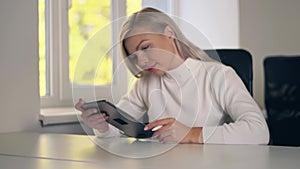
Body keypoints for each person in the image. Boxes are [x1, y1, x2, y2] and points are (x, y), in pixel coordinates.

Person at [75, 7, 269, 144]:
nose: (141, 62)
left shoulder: (219, 76)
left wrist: (191, 134)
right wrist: (102, 126)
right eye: (135, 56)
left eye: (145, 47)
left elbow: (259, 132)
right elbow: (118, 129)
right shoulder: (146, 83)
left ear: (169, 34)